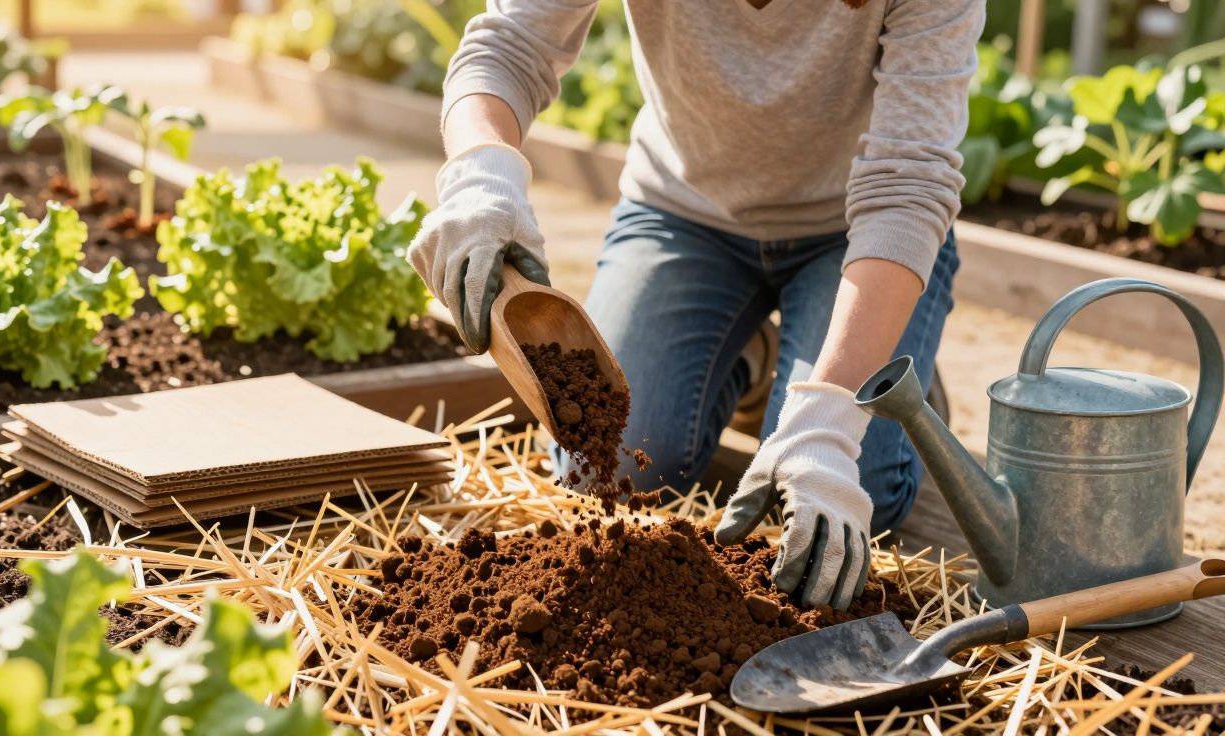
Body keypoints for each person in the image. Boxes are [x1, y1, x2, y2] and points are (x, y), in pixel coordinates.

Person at [407, 0, 983, 611]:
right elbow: (509, 47)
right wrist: (480, 174)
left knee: (855, 491)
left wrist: (833, 415)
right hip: (684, 217)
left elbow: (907, 186)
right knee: (608, 466)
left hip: (859, 236)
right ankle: (759, 362)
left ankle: (866, 351)